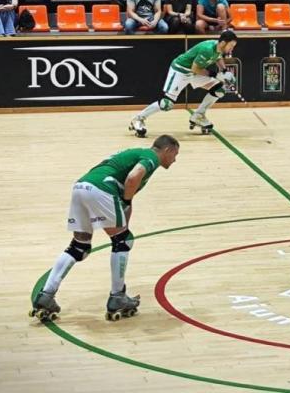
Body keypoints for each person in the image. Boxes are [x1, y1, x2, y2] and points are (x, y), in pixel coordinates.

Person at [29, 134, 181, 321]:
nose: (174, 160)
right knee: (123, 242)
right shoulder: (151, 157)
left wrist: (125, 206)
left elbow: (128, 192)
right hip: (102, 189)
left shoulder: (136, 153)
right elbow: (133, 178)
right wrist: (125, 202)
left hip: (81, 187)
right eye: (175, 154)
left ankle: (46, 295)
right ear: (167, 150)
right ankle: (117, 297)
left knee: (79, 247)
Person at [129, 30, 238, 136]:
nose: (232, 48)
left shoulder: (218, 48)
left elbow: (217, 58)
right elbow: (195, 69)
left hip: (193, 73)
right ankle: (138, 119)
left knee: (219, 89)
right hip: (180, 70)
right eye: (231, 46)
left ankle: (198, 116)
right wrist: (216, 75)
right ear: (223, 43)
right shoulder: (207, 49)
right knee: (166, 103)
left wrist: (224, 71)